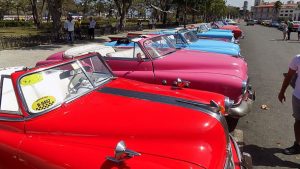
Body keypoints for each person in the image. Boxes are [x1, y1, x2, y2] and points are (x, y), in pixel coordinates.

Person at [278, 55, 300, 155]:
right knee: (298, 122)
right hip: (298, 97)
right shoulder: (297, 59)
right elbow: (289, 76)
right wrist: (282, 91)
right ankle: (297, 146)